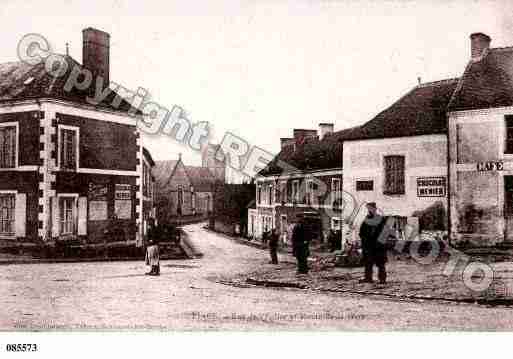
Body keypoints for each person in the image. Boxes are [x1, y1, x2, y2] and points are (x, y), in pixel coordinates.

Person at [358, 202, 387, 284]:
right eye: (368, 209)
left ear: (375, 209)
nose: (369, 210)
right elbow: (361, 232)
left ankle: (382, 279)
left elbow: (385, 232)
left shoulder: (381, 219)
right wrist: (364, 240)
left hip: (379, 246)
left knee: (380, 263)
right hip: (368, 245)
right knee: (368, 262)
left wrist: (380, 242)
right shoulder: (366, 220)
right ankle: (368, 278)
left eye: (371, 209)